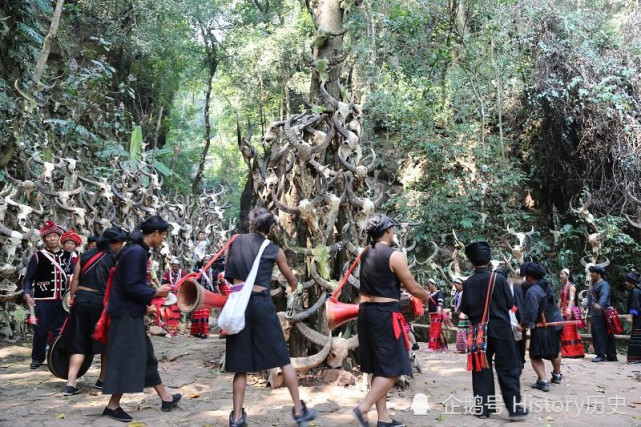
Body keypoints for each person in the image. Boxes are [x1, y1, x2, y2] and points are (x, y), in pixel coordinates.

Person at [224, 207, 317, 427]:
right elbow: (291, 280)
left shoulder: (235, 242)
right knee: (283, 360)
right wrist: (293, 286)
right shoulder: (274, 249)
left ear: (250, 223)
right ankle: (299, 411)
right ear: (271, 228)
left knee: (240, 367)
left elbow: (229, 274)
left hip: (239, 306)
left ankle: (237, 418)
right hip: (262, 305)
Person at [351, 214, 429, 427]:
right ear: (388, 230)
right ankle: (363, 408)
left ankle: (384, 418)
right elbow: (412, 286)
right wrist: (427, 297)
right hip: (384, 314)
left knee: (380, 367)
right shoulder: (395, 255)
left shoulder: (364, 252)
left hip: (366, 312)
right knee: (396, 366)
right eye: (392, 229)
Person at [101, 216, 180, 423]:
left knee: (145, 355)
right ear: (155, 234)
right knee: (128, 357)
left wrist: (147, 305)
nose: (163, 239)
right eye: (163, 235)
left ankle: (166, 397)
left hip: (130, 311)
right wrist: (156, 292)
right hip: (126, 314)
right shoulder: (136, 252)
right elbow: (131, 286)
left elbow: (129, 285)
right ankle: (112, 405)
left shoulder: (135, 250)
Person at [459, 241, 527, 420]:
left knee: (481, 368)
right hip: (501, 329)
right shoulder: (498, 279)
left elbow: (464, 308)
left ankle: (483, 409)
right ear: (489, 259)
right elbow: (510, 304)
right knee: (507, 368)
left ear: (472, 262)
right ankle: (514, 409)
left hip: (478, 332)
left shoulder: (469, 282)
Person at [60, 227, 128, 396]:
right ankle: (102, 380)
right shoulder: (115, 258)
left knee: (78, 342)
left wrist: (73, 299)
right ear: (114, 243)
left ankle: (71, 383)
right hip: (101, 303)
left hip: (81, 301)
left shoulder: (84, 256)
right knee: (106, 342)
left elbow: (74, 280)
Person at [23, 220, 74, 369]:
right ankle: (37, 358)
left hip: (62, 300)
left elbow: (73, 275)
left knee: (61, 330)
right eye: (48, 236)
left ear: (59, 237)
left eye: (54, 236)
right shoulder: (37, 256)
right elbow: (28, 279)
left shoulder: (68, 256)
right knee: (41, 330)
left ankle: (58, 359)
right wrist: (27, 293)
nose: (52, 239)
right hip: (43, 300)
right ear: (44, 239)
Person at [521, 263, 563, 392]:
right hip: (556, 322)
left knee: (535, 354)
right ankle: (556, 375)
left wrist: (524, 325)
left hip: (543, 326)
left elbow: (530, 312)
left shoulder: (532, 291)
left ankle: (543, 381)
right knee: (555, 351)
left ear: (529, 277)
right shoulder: (545, 285)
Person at [586, 265, 617, 362]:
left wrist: (600, 305)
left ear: (598, 274)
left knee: (600, 333)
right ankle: (610, 355)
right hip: (595, 312)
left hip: (603, 312)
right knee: (598, 333)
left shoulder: (604, 284)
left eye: (592, 272)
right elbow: (590, 299)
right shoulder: (593, 285)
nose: (590, 274)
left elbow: (605, 295)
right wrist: (587, 309)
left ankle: (602, 354)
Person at [558, 268, 584, 358]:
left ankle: (574, 352)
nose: (561, 275)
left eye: (563, 274)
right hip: (563, 310)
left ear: (568, 275)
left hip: (570, 311)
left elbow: (572, 299)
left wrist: (569, 309)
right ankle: (567, 352)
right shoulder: (563, 286)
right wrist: (558, 310)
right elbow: (560, 300)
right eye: (560, 274)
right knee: (564, 331)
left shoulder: (572, 286)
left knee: (569, 331)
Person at [161, 257, 186, 337]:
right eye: (173, 266)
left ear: (179, 266)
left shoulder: (183, 273)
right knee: (169, 314)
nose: (174, 267)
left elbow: (186, 283)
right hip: (169, 296)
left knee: (176, 314)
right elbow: (163, 283)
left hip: (179, 295)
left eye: (176, 266)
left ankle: (174, 331)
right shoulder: (167, 274)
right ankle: (170, 331)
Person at [624, 271, 641, 364]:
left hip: (639, 318)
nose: (625, 283)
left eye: (626, 281)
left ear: (631, 282)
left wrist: (630, 315)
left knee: (636, 339)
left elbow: (635, 305)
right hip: (638, 318)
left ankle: (635, 358)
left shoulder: (635, 291)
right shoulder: (636, 290)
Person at [427, 278, 447, 351]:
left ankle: (432, 347)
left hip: (438, 314)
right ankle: (441, 346)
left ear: (434, 285)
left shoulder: (439, 293)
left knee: (434, 330)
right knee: (437, 330)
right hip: (432, 314)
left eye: (429, 285)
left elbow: (440, 301)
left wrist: (439, 308)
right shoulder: (429, 294)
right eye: (427, 285)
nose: (428, 287)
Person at [451, 278, 468, 354]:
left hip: (465, 314)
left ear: (461, 285)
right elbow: (453, 302)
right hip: (460, 313)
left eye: (457, 285)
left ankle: (465, 348)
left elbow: (465, 302)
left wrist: (462, 311)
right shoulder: (457, 293)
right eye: (455, 285)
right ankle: (462, 348)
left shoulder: (465, 292)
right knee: (461, 331)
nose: (456, 286)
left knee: (464, 331)